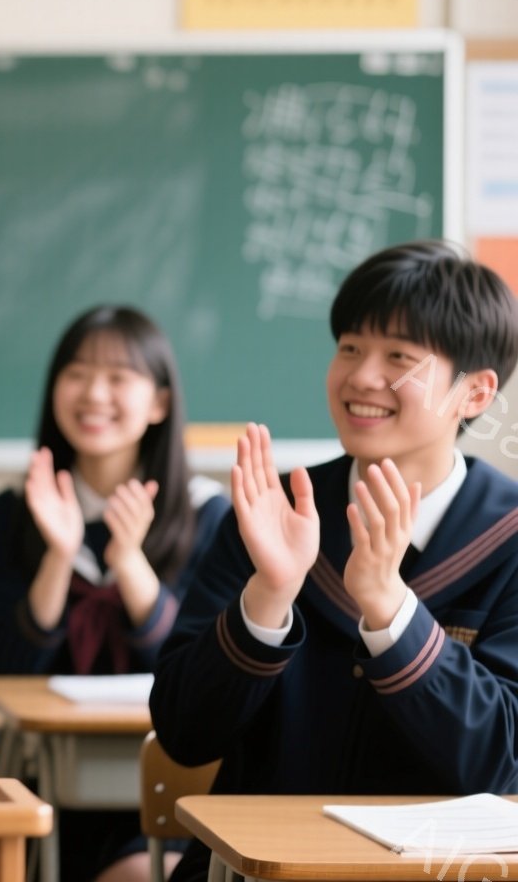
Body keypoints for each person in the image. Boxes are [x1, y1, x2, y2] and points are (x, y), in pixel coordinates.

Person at [150, 241, 518, 882]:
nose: (361, 376)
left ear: (475, 393)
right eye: (349, 347)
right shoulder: (273, 512)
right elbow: (184, 733)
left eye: (399, 357)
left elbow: (502, 761)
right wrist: (268, 594)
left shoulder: (509, 538)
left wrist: (391, 609)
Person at [0, 305, 228, 882]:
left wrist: (128, 561)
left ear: (160, 402)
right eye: (77, 373)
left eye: (119, 377)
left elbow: (201, 676)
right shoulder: (17, 512)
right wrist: (60, 556)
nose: (94, 394)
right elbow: (2, 668)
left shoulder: (207, 515)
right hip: (39, 790)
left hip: (169, 789)